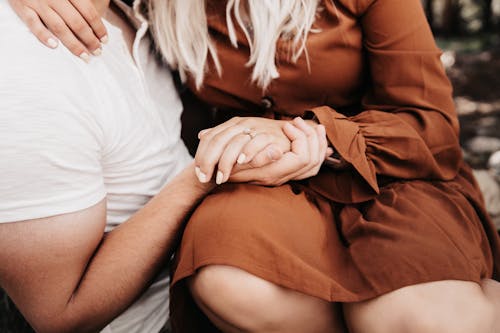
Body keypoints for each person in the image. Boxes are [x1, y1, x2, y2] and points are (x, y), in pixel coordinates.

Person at [11, 0, 500, 332]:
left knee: (417, 314)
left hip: (380, 170)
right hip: (252, 182)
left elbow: (430, 126)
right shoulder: (161, 6)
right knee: (230, 283)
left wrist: (315, 134)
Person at [0, 0, 324, 332]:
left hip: (222, 247)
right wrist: (204, 175)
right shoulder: (27, 76)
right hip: (169, 317)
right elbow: (61, 316)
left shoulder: (133, 12)